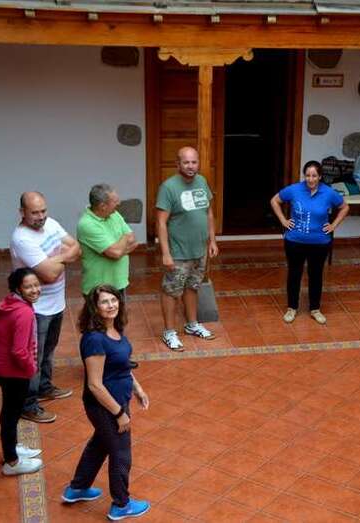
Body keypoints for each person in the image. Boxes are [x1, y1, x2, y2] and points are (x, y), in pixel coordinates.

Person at [62, 284, 151, 521]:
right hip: (105, 406)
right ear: (94, 307)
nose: (111, 305)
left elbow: (122, 366)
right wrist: (119, 413)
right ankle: (121, 505)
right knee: (121, 453)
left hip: (118, 400)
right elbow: (94, 384)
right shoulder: (94, 339)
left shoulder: (115, 330)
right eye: (104, 302)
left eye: (113, 300)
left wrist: (137, 388)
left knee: (100, 444)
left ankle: (78, 488)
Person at [10, 191, 80, 424]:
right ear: (22, 213)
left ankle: (44, 387)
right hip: (36, 309)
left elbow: (76, 248)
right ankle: (28, 404)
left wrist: (57, 259)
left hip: (56, 303)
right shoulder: (22, 238)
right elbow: (48, 275)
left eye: (43, 211)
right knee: (33, 358)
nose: (41, 217)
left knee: (48, 350)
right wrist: (63, 257)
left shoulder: (51, 224)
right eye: (34, 212)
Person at [270, 160, 350, 325]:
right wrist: (283, 220)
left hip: (320, 243)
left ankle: (315, 309)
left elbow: (344, 207)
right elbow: (274, 201)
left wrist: (333, 225)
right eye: (307, 175)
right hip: (294, 241)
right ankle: (292, 308)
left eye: (314, 176)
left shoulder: (329, 193)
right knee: (294, 274)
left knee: (316, 275)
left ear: (320, 176)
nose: (311, 179)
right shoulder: (294, 190)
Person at [156, 146, 219, 351]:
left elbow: (208, 213)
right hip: (178, 252)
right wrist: (166, 253)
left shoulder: (201, 181)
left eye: (194, 162)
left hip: (199, 250)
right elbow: (161, 222)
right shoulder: (168, 187)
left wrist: (212, 240)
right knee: (171, 291)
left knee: (193, 287)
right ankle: (169, 332)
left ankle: (192, 324)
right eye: (186, 162)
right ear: (178, 164)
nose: (191, 166)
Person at [78, 183, 139, 369]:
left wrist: (120, 248)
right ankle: (97, 365)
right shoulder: (87, 224)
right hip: (97, 287)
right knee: (97, 329)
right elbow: (114, 252)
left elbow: (132, 238)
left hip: (118, 282)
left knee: (117, 323)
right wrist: (120, 247)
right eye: (115, 201)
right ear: (103, 205)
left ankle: (117, 359)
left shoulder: (113, 214)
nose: (119, 203)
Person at [0, 268, 44, 476]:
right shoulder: (24, 313)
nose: (35, 290)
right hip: (13, 372)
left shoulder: (11, 303)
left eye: (36, 284)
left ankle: (11, 447)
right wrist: (32, 369)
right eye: (28, 286)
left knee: (10, 412)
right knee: (11, 414)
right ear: (18, 289)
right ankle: (11, 461)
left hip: (0, 366)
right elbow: (19, 350)